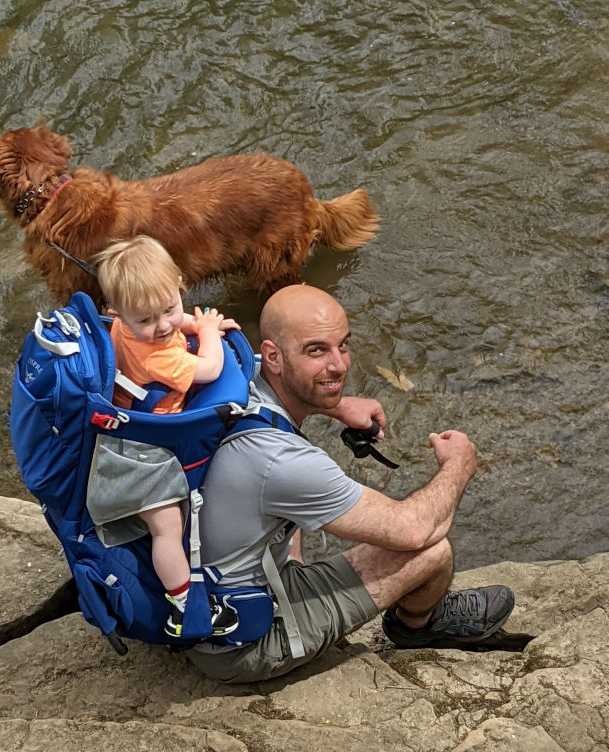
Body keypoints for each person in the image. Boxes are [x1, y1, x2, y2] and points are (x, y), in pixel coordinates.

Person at [187, 284, 515, 683]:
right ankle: (418, 625)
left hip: (190, 595)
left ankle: (290, 578)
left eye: (343, 345)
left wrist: (340, 405)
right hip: (242, 643)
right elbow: (412, 530)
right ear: (274, 355)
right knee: (431, 550)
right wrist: (459, 466)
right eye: (317, 351)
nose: (340, 365)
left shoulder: (228, 367)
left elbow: (284, 379)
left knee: (288, 513)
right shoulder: (281, 461)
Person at [95, 235, 241, 638]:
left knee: (168, 524)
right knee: (167, 527)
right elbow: (210, 368)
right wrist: (209, 332)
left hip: (139, 426)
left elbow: (175, 327)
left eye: (169, 308)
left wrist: (195, 323)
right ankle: (183, 605)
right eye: (146, 319)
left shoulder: (135, 328)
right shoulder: (155, 352)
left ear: (179, 285)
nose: (162, 326)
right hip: (137, 449)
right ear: (116, 312)